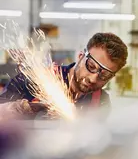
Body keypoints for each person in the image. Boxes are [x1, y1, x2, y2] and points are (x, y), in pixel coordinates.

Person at [0, 32, 128, 119]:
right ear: (80, 57)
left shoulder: (101, 101)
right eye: (91, 67)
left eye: (104, 75)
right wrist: (20, 108)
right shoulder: (32, 80)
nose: (93, 78)